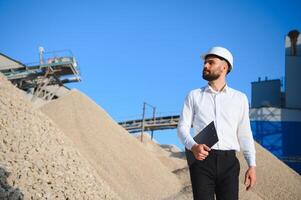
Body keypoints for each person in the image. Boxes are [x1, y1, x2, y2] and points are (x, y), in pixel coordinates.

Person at [177, 46, 256, 200]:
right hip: (202, 160)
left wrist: (252, 166)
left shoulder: (240, 98)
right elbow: (182, 128)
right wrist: (193, 146)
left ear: (224, 67)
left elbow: (245, 133)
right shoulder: (193, 96)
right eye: (204, 63)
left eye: (210, 63)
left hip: (229, 163)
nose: (205, 66)